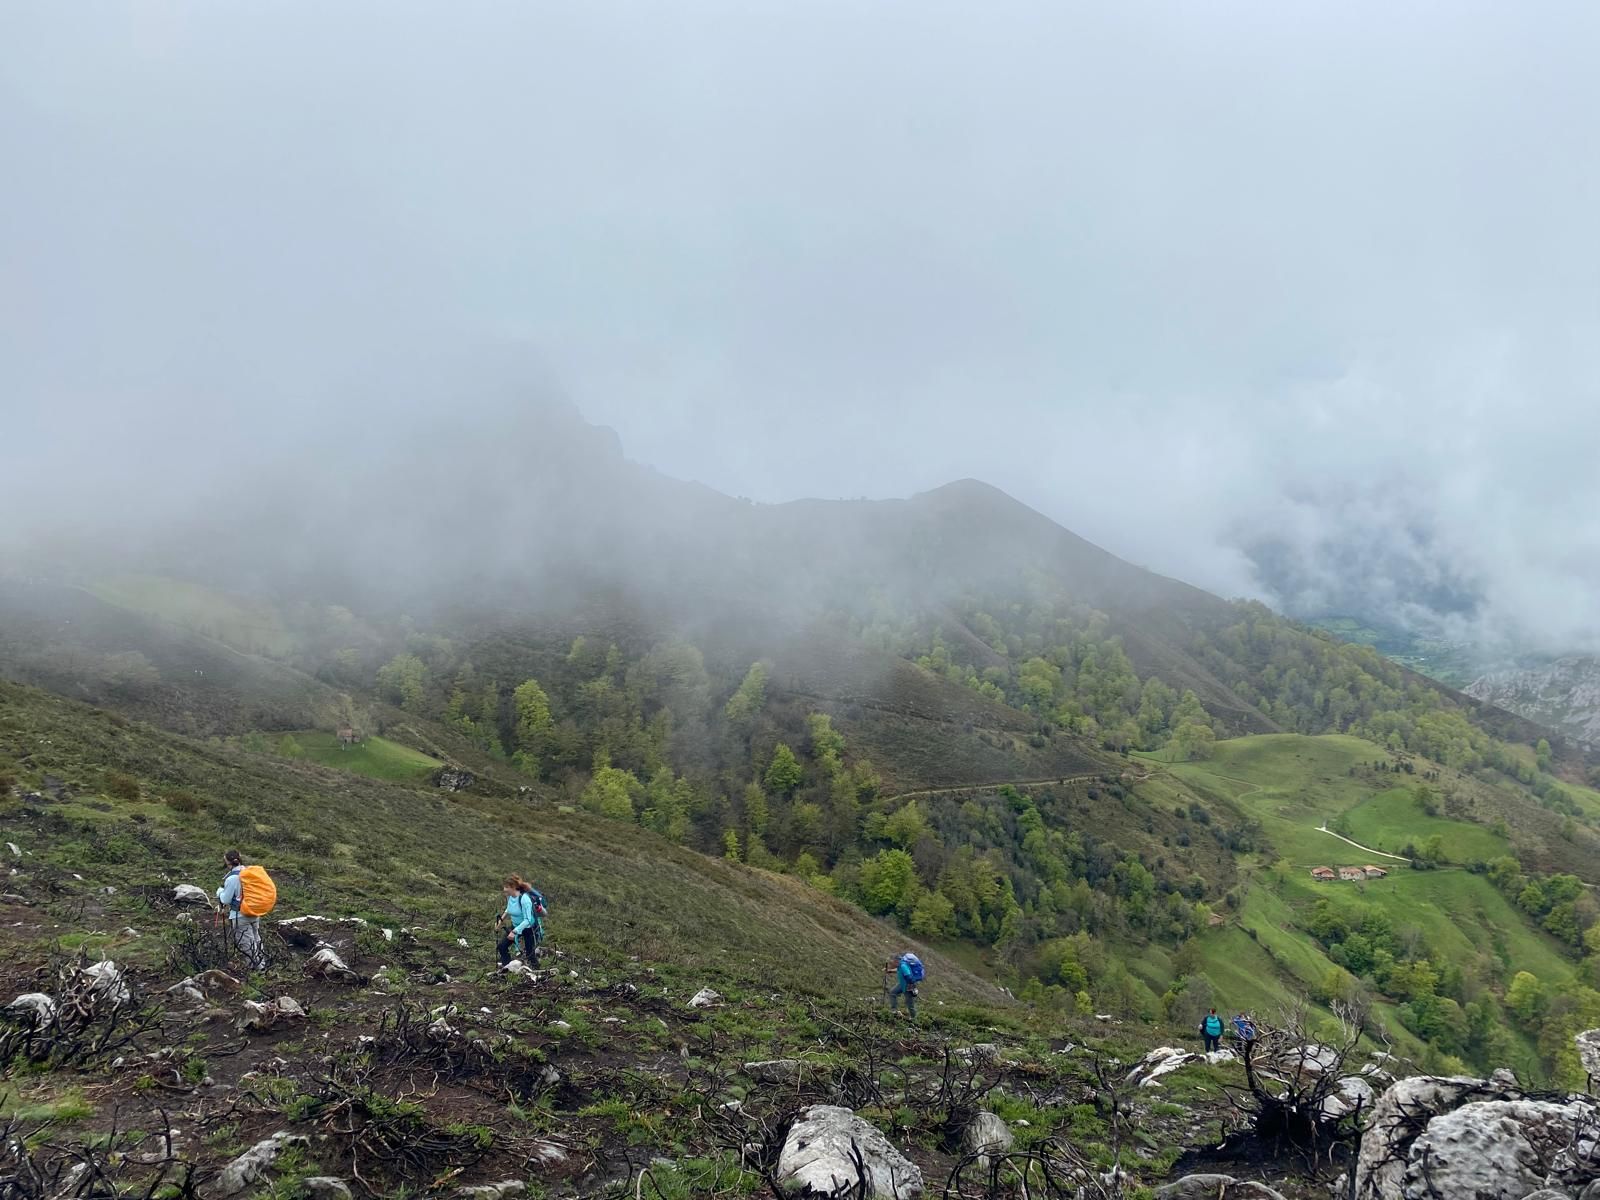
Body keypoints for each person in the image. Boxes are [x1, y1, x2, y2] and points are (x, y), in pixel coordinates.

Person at [216, 849, 266, 971]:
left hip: (240, 915)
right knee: (256, 938)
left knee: (247, 943)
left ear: (228, 862)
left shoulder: (232, 878)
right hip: (254, 911)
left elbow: (226, 899)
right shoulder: (249, 872)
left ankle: (256, 970)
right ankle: (263, 963)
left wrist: (219, 892)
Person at [497, 876, 536, 968]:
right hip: (515, 925)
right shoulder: (510, 897)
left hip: (528, 928)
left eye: (507, 887)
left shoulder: (524, 899)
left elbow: (528, 920)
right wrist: (500, 921)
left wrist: (514, 932)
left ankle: (536, 969)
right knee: (502, 946)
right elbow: (508, 909)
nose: (504, 889)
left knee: (530, 953)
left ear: (513, 887)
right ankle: (508, 968)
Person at [886, 954, 918, 1019]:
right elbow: (898, 970)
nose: (893, 964)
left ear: (897, 961)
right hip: (902, 984)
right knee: (892, 992)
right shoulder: (900, 965)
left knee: (910, 1004)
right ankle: (894, 1010)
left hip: (908, 987)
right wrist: (890, 971)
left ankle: (914, 1019)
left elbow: (908, 976)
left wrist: (911, 987)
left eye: (894, 962)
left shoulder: (903, 966)